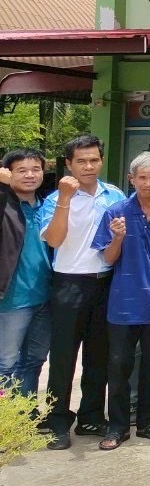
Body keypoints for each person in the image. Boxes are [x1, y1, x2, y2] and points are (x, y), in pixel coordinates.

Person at [93, 151, 150, 450]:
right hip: (123, 302)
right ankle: (118, 426)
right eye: (142, 178)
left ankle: (149, 421)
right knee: (118, 366)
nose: (147, 183)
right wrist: (117, 237)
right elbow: (107, 259)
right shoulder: (116, 212)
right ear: (131, 179)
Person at [40, 134, 126, 450]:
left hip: (104, 283)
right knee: (63, 357)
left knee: (98, 355)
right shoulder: (54, 199)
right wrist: (65, 198)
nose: (89, 166)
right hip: (67, 284)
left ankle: (91, 416)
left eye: (94, 160)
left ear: (101, 161)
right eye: (81, 161)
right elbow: (54, 240)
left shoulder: (113, 195)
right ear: (69, 164)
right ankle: (57, 422)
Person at [0, 148, 52, 398]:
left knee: (35, 359)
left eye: (36, 169)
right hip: (12, 299)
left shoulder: (49, 206)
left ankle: (25, 412)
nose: (30, 175)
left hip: (45, 297)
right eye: (21, 170)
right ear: (8, 173)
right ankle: (6, 420)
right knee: (6, 362)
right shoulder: (5, 206)